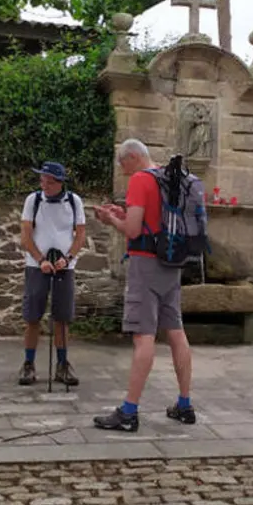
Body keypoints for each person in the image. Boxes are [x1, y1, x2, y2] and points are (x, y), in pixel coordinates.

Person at [90, 139, 195, 432]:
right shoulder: (168, 179)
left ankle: (128, 411)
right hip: (171, 263)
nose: (123, 173)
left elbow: (134, 230)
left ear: (134, 157)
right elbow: (150, 223)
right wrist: (121, 215)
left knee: (143, 336)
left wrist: (111, 220)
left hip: (145, 265)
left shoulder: (140, 180)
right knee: (176, 331)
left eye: (123, 166)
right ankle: (184, 405)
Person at [18, 161, 87, 386]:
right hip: (36, 266)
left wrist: (67, 259)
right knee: (32, 317)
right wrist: (41, 260)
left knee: (62, 318)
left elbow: (80, 236)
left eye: (48, 181)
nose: (43, 184)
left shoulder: (75, 202)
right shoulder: (33, 200)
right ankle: (28, 364)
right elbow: (26, 236)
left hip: (64, 268)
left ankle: (62, 364)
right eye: (42, 180)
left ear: (59, 182)